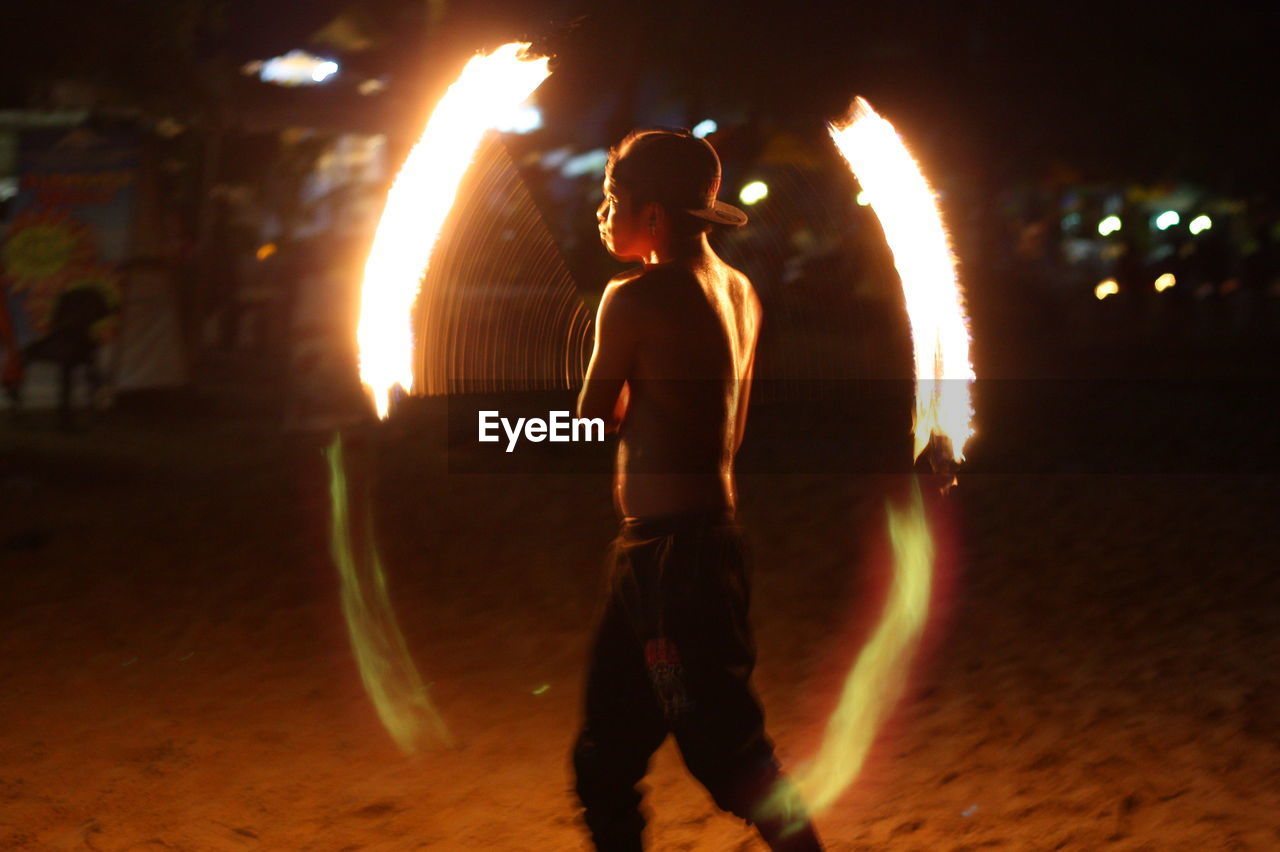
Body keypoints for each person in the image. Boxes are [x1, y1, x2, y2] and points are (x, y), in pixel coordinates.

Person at [573, 129, 823, 851]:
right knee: (605, 759)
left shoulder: (635, 296)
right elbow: (726, 430)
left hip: (671, 565)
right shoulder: (739, 292)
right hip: (695, 549)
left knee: (730, 760)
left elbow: (592, 423)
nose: (600, 210)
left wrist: (499, 430)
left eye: (612, 197)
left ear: (651, 216)